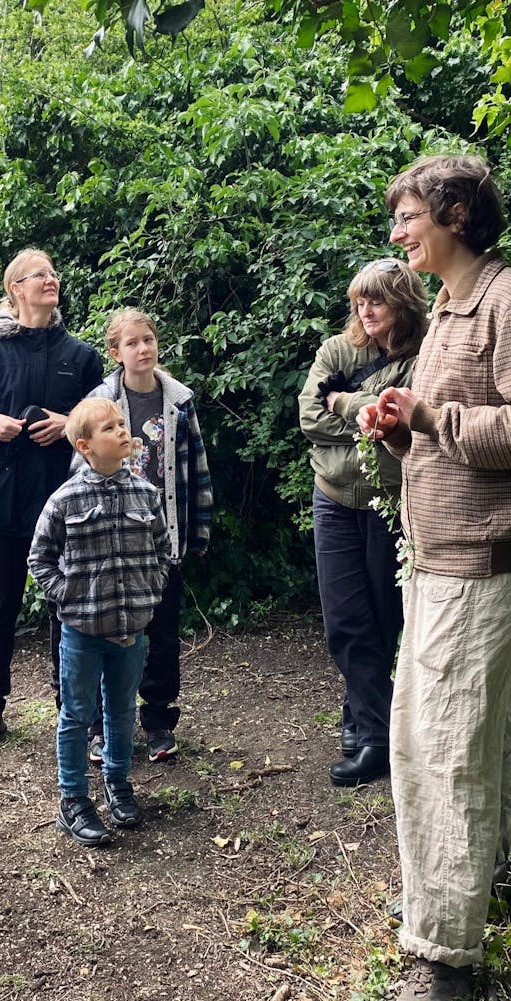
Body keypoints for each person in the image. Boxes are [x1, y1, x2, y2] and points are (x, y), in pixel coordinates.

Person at [357, 154, 511, 1001]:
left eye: (408, 214)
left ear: (455, 212)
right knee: (456, 743)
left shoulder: (504, 299)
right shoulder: (451, 309)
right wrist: (400, 432)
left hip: (478, 565)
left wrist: (430, 416)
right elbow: (444, 434)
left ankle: (448, 960)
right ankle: (477, 896)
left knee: (443, 754)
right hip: (439, 559)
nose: (396, 230)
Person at [0, 248, 103, 752]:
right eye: (39, 274)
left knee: (65, 605)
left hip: (64, 499)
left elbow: (104, 417)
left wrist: (69, 424)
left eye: (53, 272)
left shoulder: (81, 357)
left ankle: (75, 709)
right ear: (15, 289)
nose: (52, 279)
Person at [298, 260, 427, 787]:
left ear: (402, 302)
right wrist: (369, 420)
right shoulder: (336, 349)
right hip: (332, 498)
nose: (365, 310)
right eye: (358, 301)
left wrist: (345, 402)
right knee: (345, 620)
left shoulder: (422, 354)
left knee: (382, 616)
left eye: (376, 301)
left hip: (388, 502)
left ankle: (364, 724)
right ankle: (376, 737)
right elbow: (309, 416)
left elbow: (403, 424)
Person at [28, 398, 170, 845]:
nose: (123, 432)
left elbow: (163, 549)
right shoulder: (65, 499)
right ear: (86, 446)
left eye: (122, 424)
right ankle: (73, 799)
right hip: (83, 632)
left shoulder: (145, 494)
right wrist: (68, 597)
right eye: (110, 428)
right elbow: (40, 559)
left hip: (132, 630)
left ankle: (118, 782)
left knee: (123, 708)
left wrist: (151, 591)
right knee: (77, 713)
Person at [77, 308, 213, 763]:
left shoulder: (179, 401)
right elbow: (81, 471)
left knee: (164, 633)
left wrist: (198, 532)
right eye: (132, 343)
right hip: (116, 545)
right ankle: (101, 727)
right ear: (116, 353)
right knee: (111, 633)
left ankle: (158, 720)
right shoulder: (101, 402)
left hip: (164, 541)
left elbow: (197, 468)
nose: (143, 349)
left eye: (149, 340)